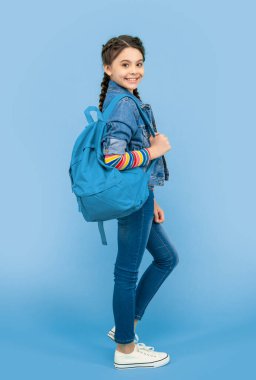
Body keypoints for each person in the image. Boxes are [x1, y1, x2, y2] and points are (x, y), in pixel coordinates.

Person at [99, 35, 179, 370]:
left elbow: (132, 165)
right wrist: (154, 151)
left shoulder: (126, 100)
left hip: (141, 197)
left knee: (166, 258)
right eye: (125, 64)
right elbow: (111, 159)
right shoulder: (123, 105)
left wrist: (153, 196)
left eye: (139, 63)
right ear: (109, 68)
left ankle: (125, 326)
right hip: (133, 202)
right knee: (127, 273)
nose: (134, 71)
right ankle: (126, 350)